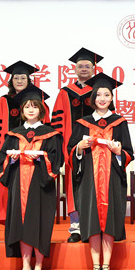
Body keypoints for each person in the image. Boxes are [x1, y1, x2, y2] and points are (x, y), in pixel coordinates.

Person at [69, 73, 134, 270]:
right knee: (92, 220)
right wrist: (80, 147)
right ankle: (95, 266)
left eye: (107, 95)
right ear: (93, 98)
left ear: (112, 98)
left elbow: (129, 153)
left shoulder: (119, 122)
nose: (102, 98)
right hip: (89, 178)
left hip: (112, 177)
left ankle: (106, 266)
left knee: (110, 220)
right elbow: (71, 151)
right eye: (99, 95)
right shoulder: (82, 123)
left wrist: (118, 152)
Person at [0, 85, 62, 270]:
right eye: (27, 107)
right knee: (21, 223)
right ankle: (25, 266)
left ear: (41, 110)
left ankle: (39, 266)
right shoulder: (13, 134)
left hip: (41, 184)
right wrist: (12, 160)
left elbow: (57, 160)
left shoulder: (51, 134)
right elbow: (2, 160)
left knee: (39, 222)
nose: (31, 110)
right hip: (18, 183)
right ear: (22, 110)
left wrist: (42, 158)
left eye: (34, 106)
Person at [51, 48, 102, 244]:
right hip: (73, 148)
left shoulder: (101, 92)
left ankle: (96, 225)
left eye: (87, 66)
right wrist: (62, 148)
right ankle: (76, 228)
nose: (84, 69)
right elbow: (58, 122)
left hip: (97, 148)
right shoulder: (65, 93)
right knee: (73, 186)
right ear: (75, 69)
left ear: (94, 68)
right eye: (80, 66)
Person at [0, 61, 46, 226]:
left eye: (23, 78)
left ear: (29, 80)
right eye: (16, 78)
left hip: (33, 157)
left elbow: (47, 129)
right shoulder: (4, 101)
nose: (19, 81)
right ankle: (11, 222)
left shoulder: (38, 101)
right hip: (11, 156)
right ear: (11, 81)